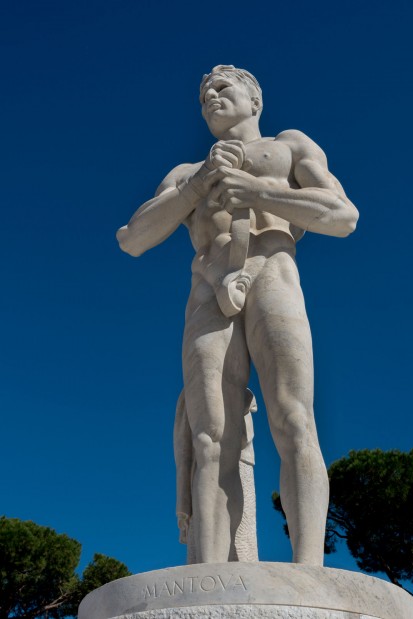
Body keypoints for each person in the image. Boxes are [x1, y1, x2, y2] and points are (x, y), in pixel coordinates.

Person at [117, 65, 359, 565]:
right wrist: (199, 185)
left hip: (272, 272)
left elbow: (343, 215)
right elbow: (133, 238)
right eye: (203, 94)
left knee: (293, 418)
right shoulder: (188, 174)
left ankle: (309, 568)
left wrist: (259, 194)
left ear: (255, 101)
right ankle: (207, 573)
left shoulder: (288, 146)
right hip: (207, 292)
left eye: (222, 89)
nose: (210, 97)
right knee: (210, 437)